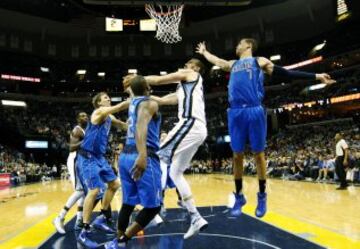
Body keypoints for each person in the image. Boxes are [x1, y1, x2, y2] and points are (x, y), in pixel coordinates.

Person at [196, 39, 335, 217]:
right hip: (235, 112)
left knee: (258, 154)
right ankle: (239, 196)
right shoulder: (233, 64)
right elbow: (217, 61)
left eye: (239, 43)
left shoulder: (259, 61)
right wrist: (205, 52)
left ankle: (262, 196)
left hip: (254, 109)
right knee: (237, 155)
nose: (236, 46)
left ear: (248, 46)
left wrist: (316, 76)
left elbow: (286, 73)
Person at [124, 58, 208, 239]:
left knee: (157, 156)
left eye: (186, 65)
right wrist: (139, 95)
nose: (184, 67)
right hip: (197, 130)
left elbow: (161, 79)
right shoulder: (185, 89)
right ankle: (196, 217)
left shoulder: (191, 74)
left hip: (190, 124)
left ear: (194, 68)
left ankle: (154, 208)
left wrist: (138, 79)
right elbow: (162, 100)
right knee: (175, 173)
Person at [105, 75, 162, 249]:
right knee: (153, 208)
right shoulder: (149, 103)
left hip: (125, 156)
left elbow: (135, 88)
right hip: (143, 155)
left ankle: (118, 240)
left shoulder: (132, 102)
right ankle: (122, 240)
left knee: (128, 203)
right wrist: (143, 155)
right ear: (147, 87)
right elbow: (141, 128)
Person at [77, 92, 128, 249]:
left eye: (108, 97)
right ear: (99, 103)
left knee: (114, 184)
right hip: (88, 157)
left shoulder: (109, 116)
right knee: (94, 191)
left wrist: (136, 126)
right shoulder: (98, 112)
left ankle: (101, 217)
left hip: (99, 157)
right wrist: (134, 100)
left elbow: (120, 124)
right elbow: (119, 107)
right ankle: (84, 231)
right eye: (105, 98)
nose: (108, 98)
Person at [53, 112, 88, 234]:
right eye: (82, 116)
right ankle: (60, 217)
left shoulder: (85, 130)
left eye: (86, 116)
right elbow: (72, 147)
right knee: (80, 191)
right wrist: (86, 142)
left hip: (81, 161)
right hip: (74, 160)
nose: (86, 117)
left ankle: (79, 221)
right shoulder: (77, 130)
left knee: (84, 192)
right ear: (78, 119)